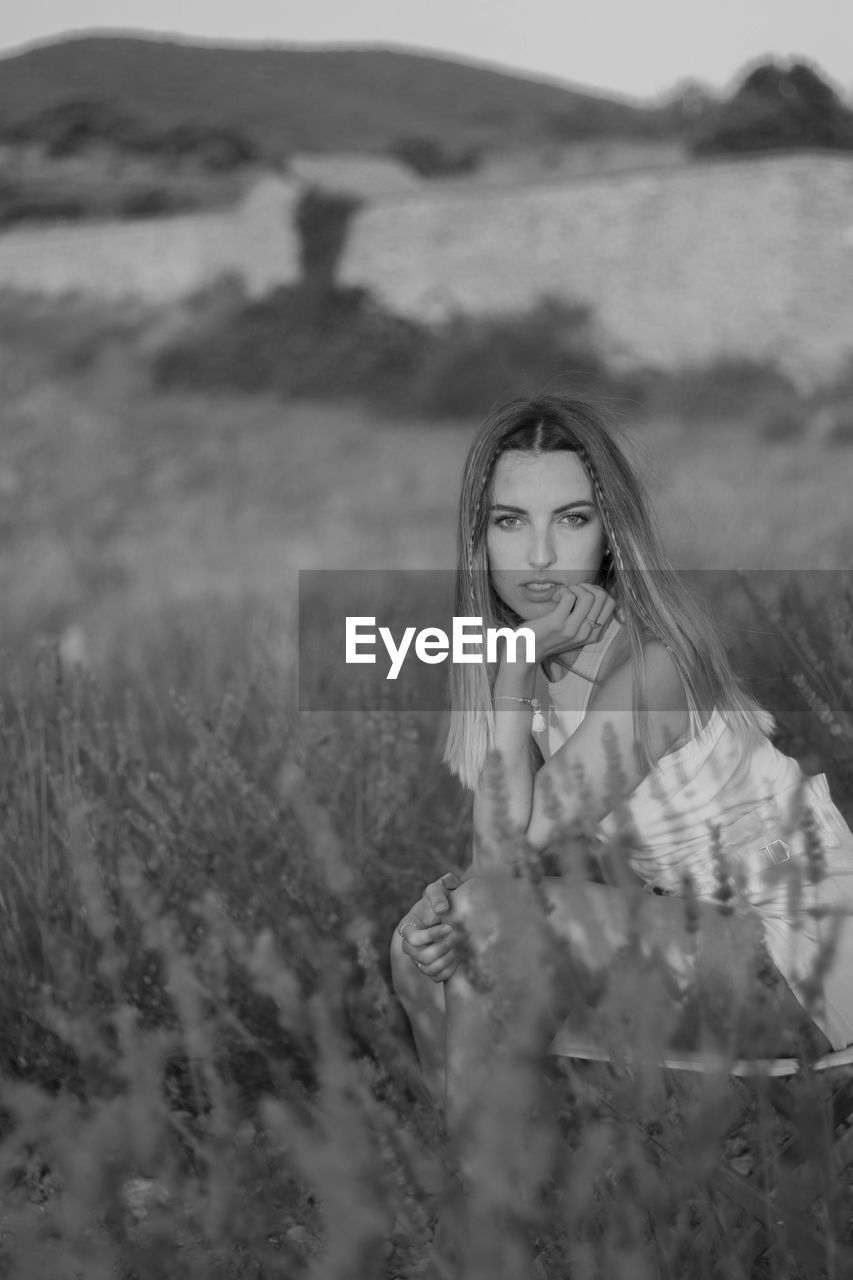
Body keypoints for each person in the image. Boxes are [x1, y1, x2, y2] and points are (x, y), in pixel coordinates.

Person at [388, 394, 853, 1257]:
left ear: (609, 534)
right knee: (422, 953)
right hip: (716, 944)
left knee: (474, 924)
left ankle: (496, 1241)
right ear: (477, 540)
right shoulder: (531, 667)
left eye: (568, 520)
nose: (536, 555)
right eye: (507, 523)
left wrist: (512, 668)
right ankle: (506, 1221)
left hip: (809, 956)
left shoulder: (651, 669)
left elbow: (506, 857)